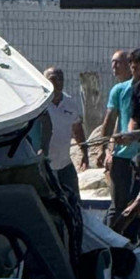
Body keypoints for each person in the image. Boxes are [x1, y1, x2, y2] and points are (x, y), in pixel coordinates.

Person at [99, 48, 140, 241]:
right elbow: (110, 120)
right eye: (137, 68)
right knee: (118, 204)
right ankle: (112, 242)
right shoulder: (120, 90)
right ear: (131, 67)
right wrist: (105, 149)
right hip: (122, 154)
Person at [43, 66, 87, 197]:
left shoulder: (70, 103)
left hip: (65, 163)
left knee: (74, 199)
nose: (58, 82)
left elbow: (77, 129)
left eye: (61, 79)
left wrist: (85, 152)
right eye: (53, 79)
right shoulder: (40, 105)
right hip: (46, 165)